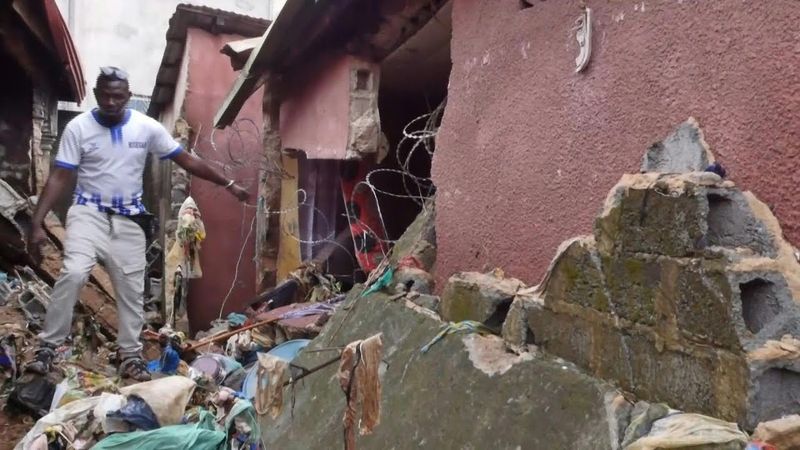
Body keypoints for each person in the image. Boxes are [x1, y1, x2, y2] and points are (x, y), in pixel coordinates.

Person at [25, 66, 250, 381]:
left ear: (128, 97)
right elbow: (60, 176)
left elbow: (185, 160)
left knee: (131, 290)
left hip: (129, 220)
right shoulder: (78, 128)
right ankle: (48, 348)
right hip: (88, 213)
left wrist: (228, 184)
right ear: (96, 94)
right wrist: (36, 223)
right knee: (74, 272)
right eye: (105, 95)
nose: (111, 102)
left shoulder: (146, 128)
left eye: (118, 96)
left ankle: (130, 356)